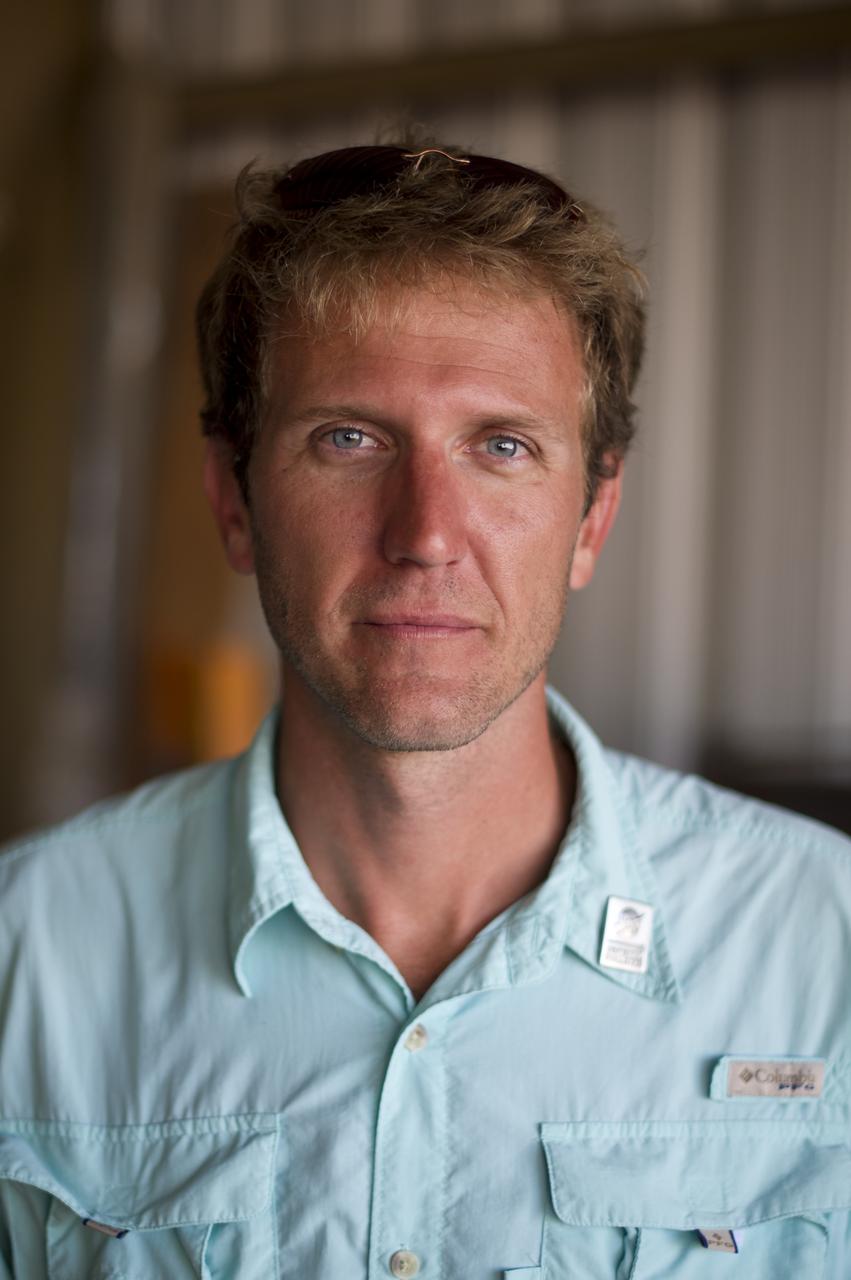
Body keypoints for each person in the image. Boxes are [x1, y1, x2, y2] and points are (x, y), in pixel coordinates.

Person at [0, 141, 849, 1279]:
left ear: (591, 516)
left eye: (501, 446)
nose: (426, 533)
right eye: (347, 439)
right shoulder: (27, 954)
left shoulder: (818, 945)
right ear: (232, 499)